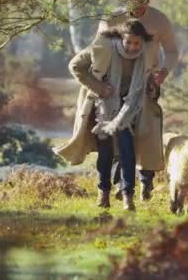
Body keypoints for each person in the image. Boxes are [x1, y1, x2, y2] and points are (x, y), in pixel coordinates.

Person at [53, 20, 160, 211]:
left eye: (137, 43)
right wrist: (98, 87)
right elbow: (75, 65)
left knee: (128, 150)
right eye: (128, 42)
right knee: (106, 152)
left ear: (143, 42)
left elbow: (149, 76)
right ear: (121, 38)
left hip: (130, 107)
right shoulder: (103, 46)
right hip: (104, 105)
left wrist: (152, 86)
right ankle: (103, 192)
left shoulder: (148, 53)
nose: (132, 47)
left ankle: (128, 196)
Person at [97, 0, 179, 201]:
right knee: (120, 135)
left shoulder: (159, 20)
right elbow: (97, 49)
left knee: (145, 134)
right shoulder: (112, 17)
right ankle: (121, 185)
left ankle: (146, 181)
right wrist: (98, 82)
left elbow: (171, 51)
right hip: (115, 85)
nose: (139, 3)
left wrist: (163, 72)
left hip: (146, 83)